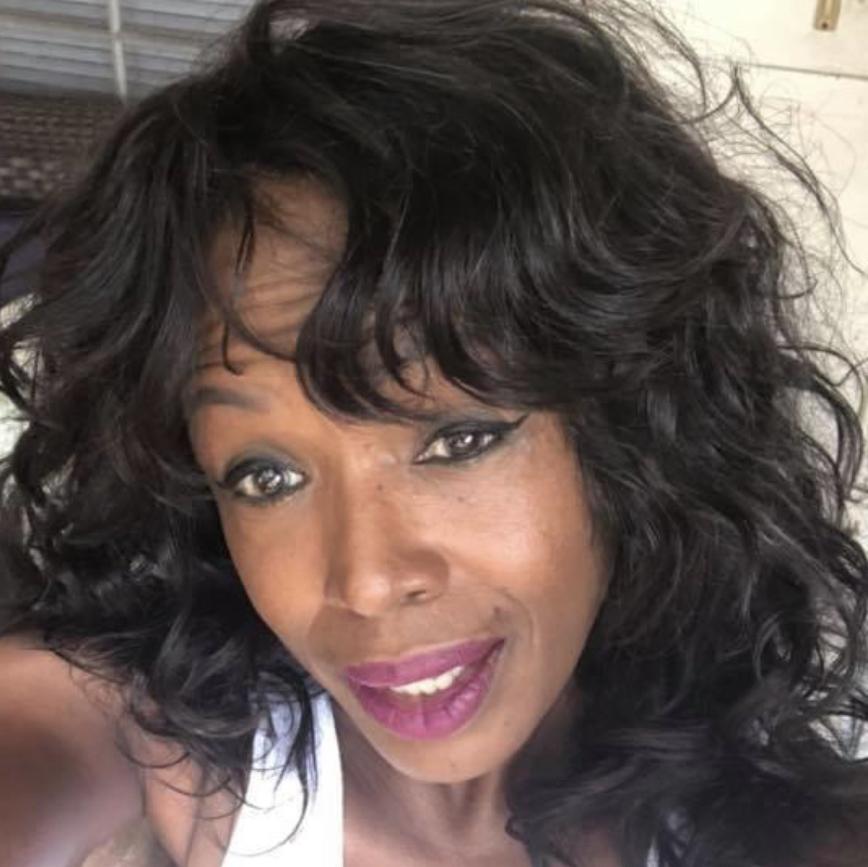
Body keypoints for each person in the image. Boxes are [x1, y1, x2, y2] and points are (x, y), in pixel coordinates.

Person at [1, 1, 867, 865]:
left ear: (627, 429)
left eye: (458, 438)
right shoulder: (175, 742)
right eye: (267, 476)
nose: (368, 581)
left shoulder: (791, 834)